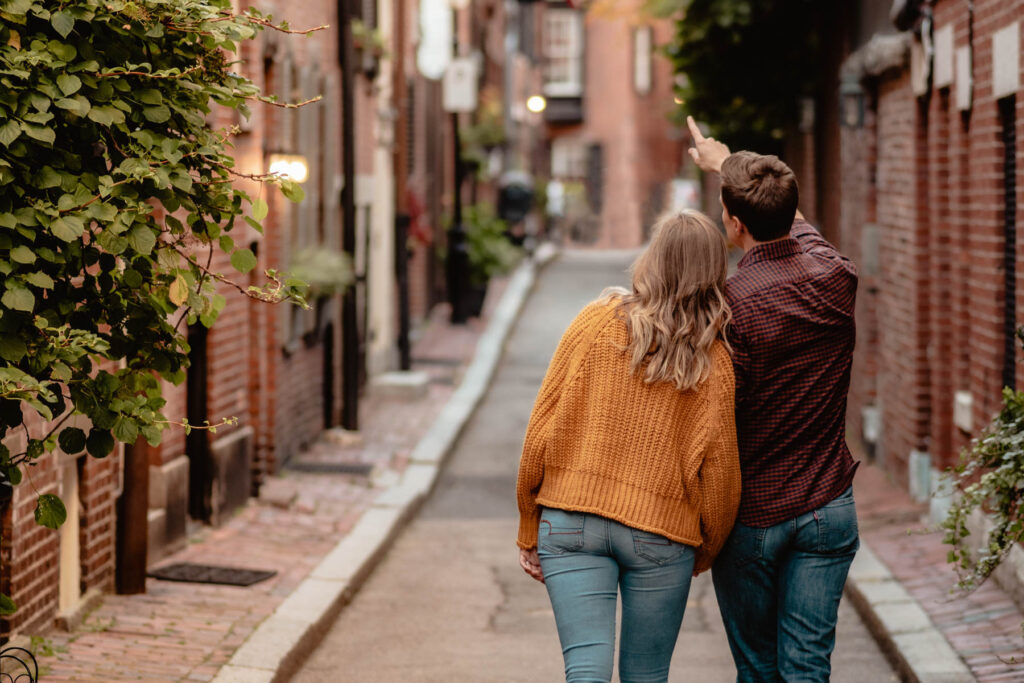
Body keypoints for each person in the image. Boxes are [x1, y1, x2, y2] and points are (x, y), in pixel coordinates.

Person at [515, 209, 742, 683]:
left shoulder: (594, 322)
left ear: (652, 258)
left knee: (585, 671)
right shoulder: (714, 360)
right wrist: (704, 548)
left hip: (571, 520)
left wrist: (528, 521)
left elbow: (540, 427)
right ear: (713, 274)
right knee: (646, 675)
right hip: (662, 535)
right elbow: (721, 477)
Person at [686, 116, 860, 682]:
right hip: (828, 504)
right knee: (808, 668)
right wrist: (729, 163)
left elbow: (711, 417)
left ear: (733, 224)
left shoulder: (728, 307)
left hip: (753, 515)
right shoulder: (835, 275)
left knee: (759, 670)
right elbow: (794, 224)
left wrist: (722, 168)